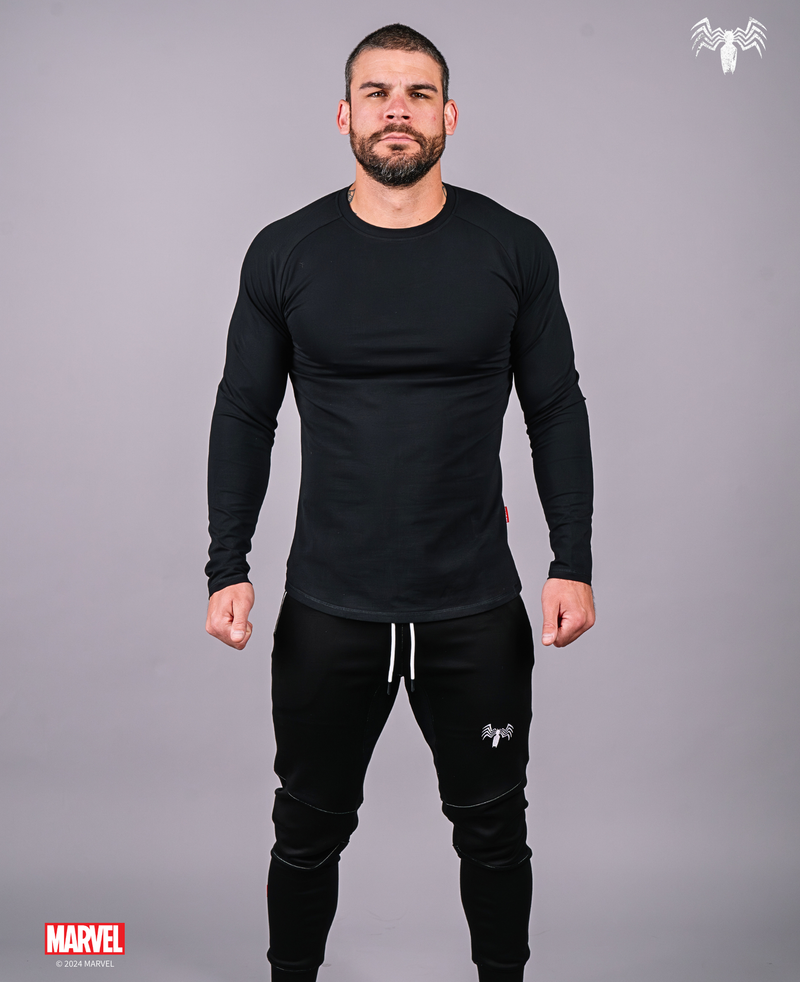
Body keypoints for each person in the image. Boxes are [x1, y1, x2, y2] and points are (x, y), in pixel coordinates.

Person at [205, 23, 595, 982]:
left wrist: (571, 561)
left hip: (475, 608)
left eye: (418, 93)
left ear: (449, 115)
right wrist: (228, 567)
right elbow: (245, 412)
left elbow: (554, 406)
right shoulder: (286, 252)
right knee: (306, 830)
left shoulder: (511, 247)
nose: (397, 110)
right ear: (343, 115)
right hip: (330, 607)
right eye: (377, 92)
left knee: (494, 830)